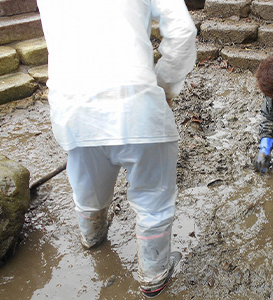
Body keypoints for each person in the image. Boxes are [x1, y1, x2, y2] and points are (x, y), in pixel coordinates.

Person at [36, 0, 197, 297]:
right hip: (137, 103)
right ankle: (153, 275)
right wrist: (165, 87)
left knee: (86, 184)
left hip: (72, 108)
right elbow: (183, 31)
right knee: (153, 199)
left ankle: (93, 238)